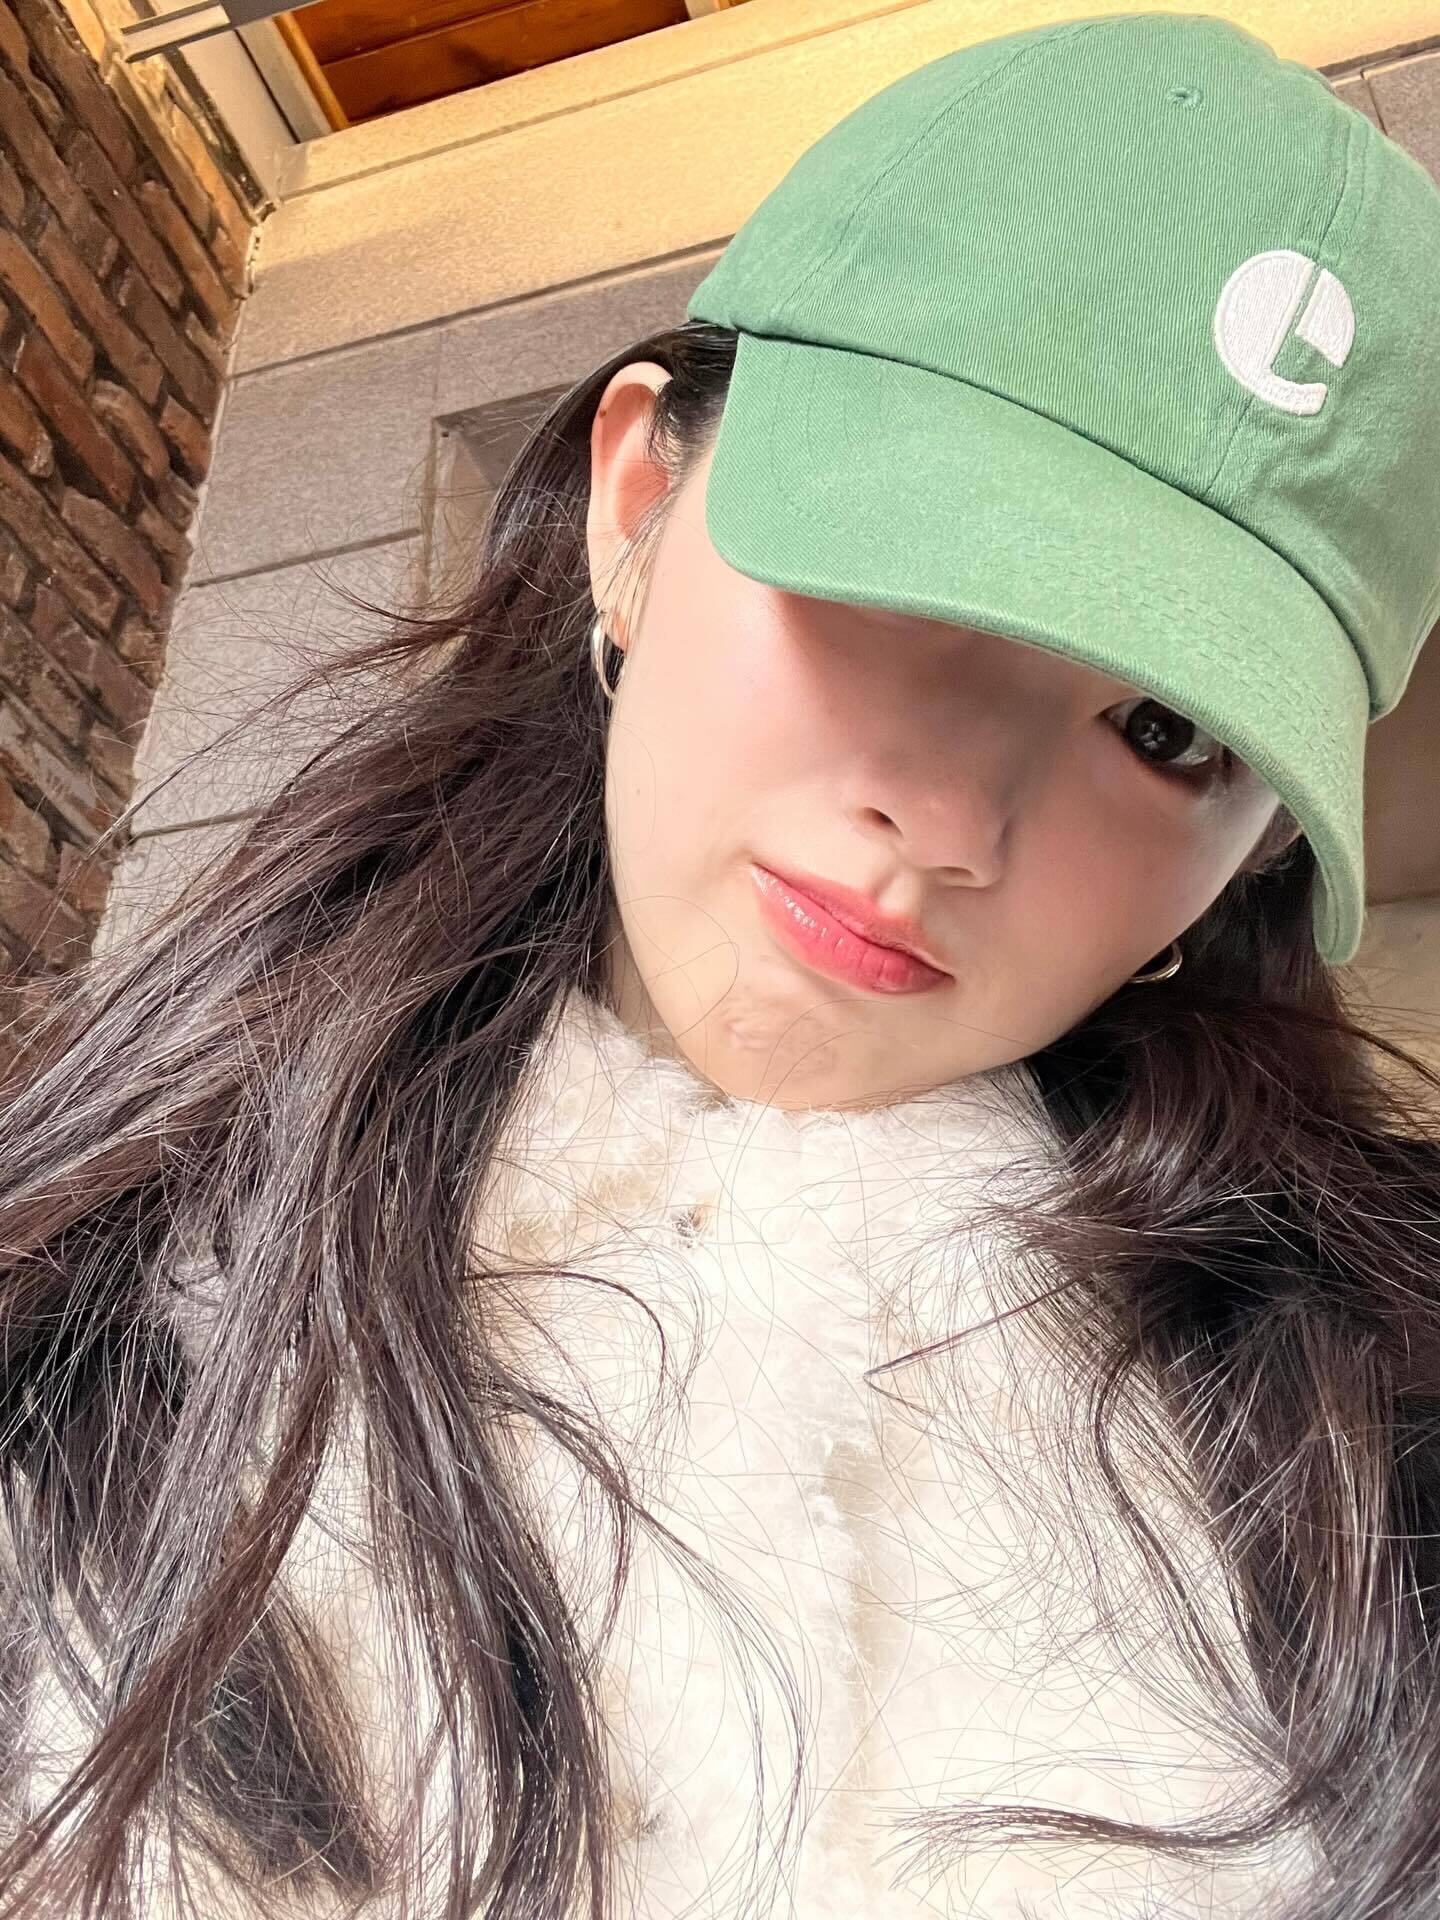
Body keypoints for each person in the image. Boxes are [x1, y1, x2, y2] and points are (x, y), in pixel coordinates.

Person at [1, 9, 1439, 1917]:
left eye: (1168, 730)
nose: (954, 819)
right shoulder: (108, 1277)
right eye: (905, 568)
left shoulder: (1368, 1423)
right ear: (637, 510)